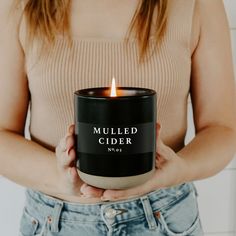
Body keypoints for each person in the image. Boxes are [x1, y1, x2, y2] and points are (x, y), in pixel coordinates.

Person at [0, 0, 236, 235]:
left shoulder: (198, 4)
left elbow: (222, 128)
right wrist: (61, 178)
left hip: (164, 217)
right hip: (54, 222)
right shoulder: (19, 5)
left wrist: (181, 169)